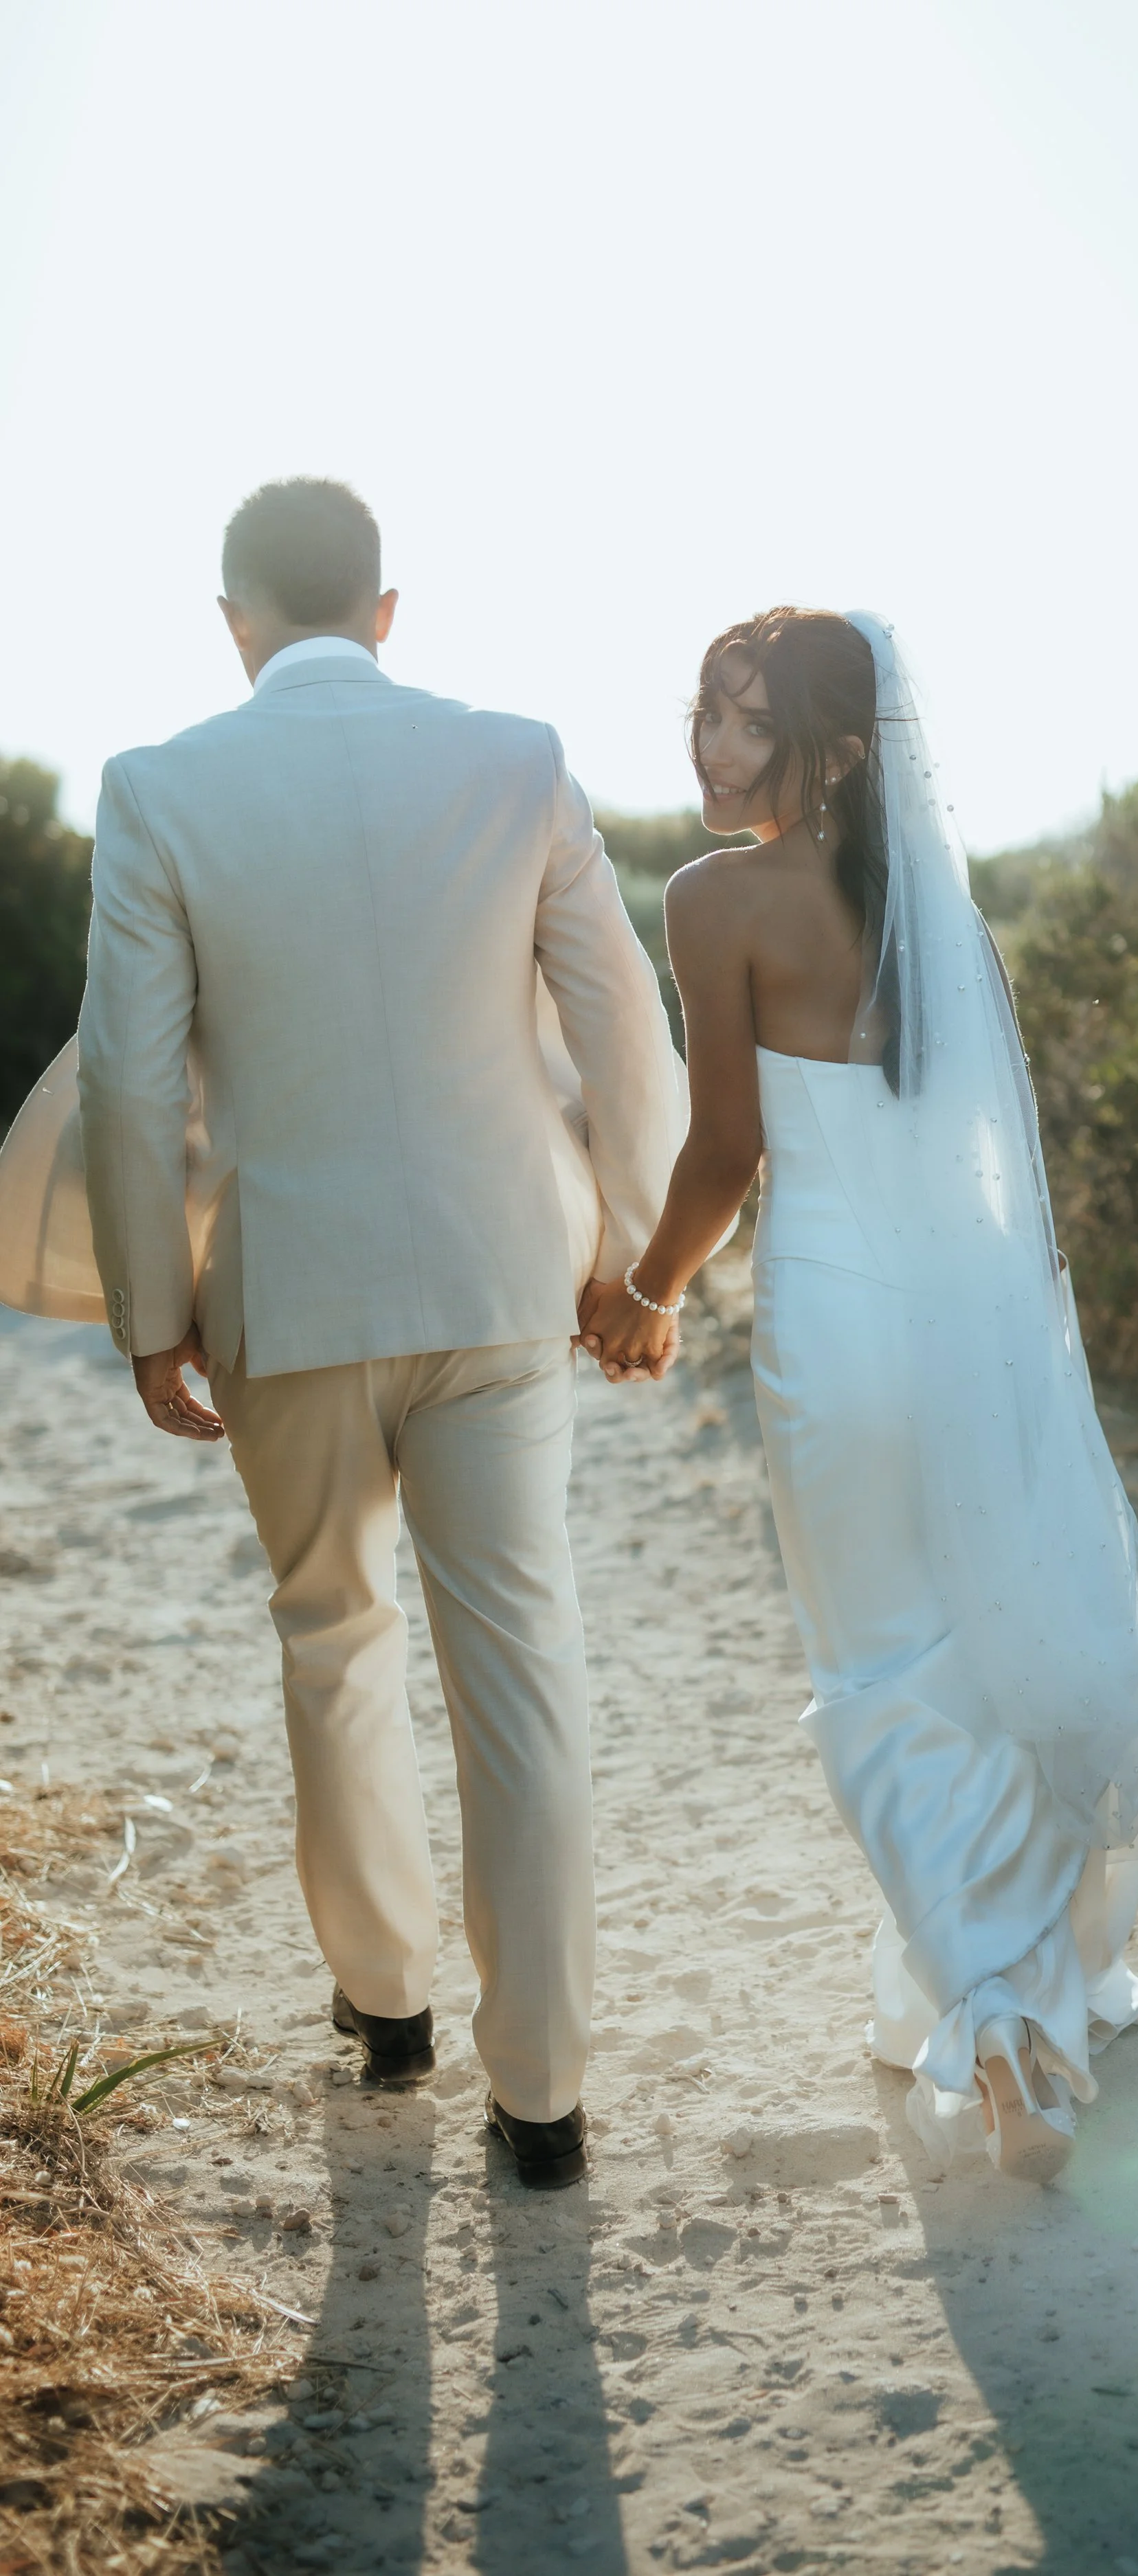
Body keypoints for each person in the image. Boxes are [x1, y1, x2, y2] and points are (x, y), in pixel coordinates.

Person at [67, 478, 685, 2187]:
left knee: (332, 1636)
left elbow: (130, 1073)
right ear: (388, 609)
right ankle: (544, 2097)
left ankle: (387, 2003)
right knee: (524, 1669)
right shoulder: (515, 761)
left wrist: (147, 1313)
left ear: (233, 619)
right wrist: (639, 1261)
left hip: (292, 1292)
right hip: (501, 1286)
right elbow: (622, 1026)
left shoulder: (158, 790)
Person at [579, 608, 1138, 2181]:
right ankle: (1011, 1988)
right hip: (964, 1335)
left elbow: (726, 1154)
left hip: (835, 1338)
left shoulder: (713, 902)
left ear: (836, 749)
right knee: (974, 1655)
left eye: (745, 721)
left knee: (873, 1674)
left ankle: (989, 2022)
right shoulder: (949, 926)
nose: (709, 749)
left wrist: (646, 1295)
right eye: (702, 712)